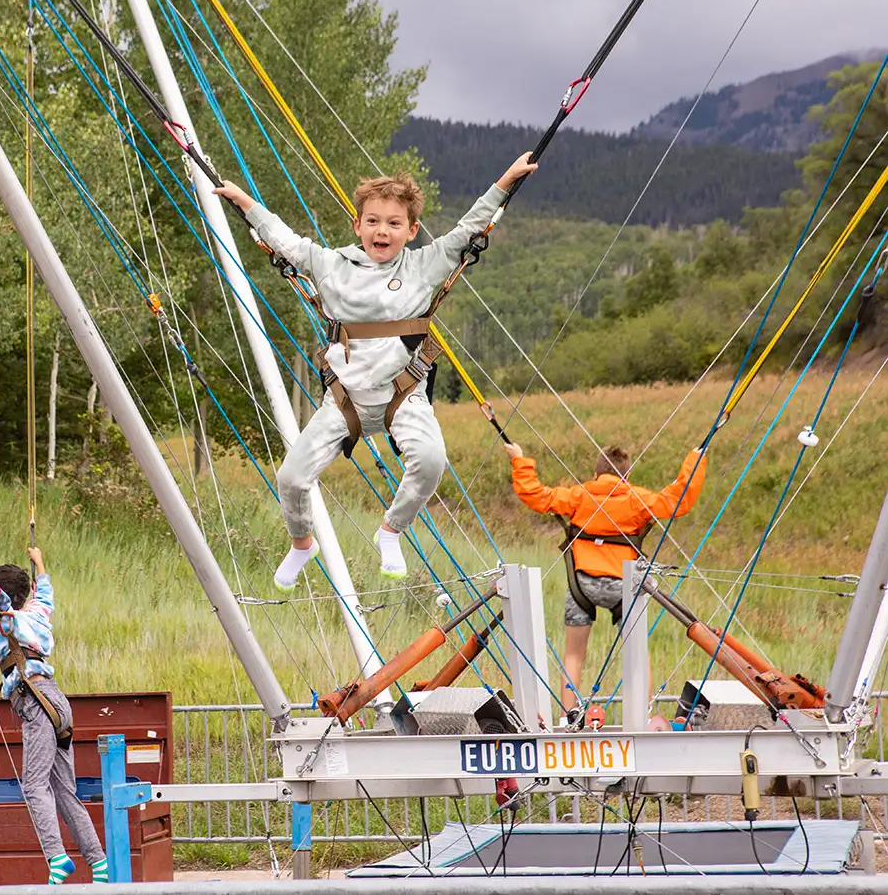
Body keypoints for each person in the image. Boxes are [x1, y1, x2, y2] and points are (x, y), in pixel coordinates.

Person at [214, 154, 538, 589]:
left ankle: (391, 530)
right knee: (290, 479)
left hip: (401, 395)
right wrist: (243, 203)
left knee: (430, 460)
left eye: (392, 223)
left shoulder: (423, 267)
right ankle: (301, 543)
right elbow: (284, 240)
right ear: (357, 225)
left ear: (410, 231)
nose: (381, 231)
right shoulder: (331, 266)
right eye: (372, 221)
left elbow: (469, 230)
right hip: (344, 400)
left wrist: (506, 180)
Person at [506, 443, 707, 716]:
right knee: (638, 655)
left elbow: (537, 496)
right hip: (623, 586)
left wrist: (520, 461)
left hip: (581, 585)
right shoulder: (636, 499)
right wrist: (696, 458)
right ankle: (642, 715)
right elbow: (676, 500)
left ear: (596, 473)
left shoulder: (579, 496)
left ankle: (569, 715)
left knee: (574, 653)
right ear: (625, 475)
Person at [0, 536, 107, 886]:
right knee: (64, 790)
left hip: (35, 701)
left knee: (35, 785)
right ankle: (98, 863)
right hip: (57, 701)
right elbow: (46, 593)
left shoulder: (6, 618)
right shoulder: (38, 613)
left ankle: (57, 857)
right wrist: (39, 562)